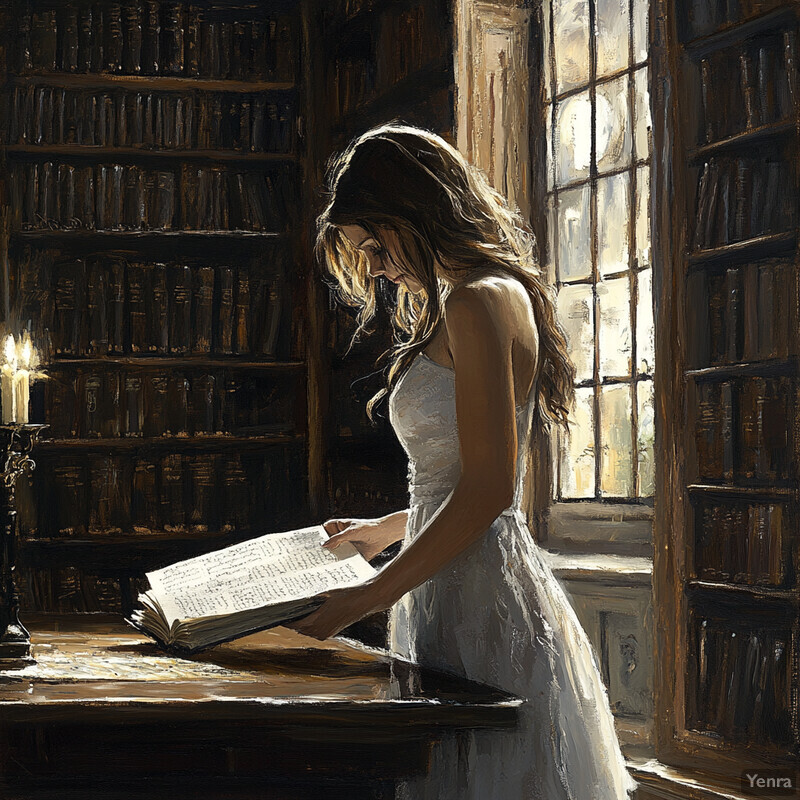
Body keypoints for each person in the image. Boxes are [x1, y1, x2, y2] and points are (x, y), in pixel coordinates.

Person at [290, 123, 638, 799]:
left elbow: (488, 492)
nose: (379, 267)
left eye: (376, 244)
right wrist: (384, 530)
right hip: (446, 589)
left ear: (411, 212)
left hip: (482, 604)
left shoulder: (479, 298)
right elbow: (462, 475)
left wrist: (367, 595)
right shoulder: (468, 296)